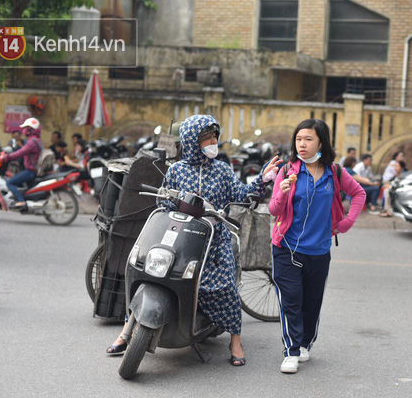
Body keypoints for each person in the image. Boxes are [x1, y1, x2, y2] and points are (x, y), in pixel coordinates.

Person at [106, 114, 281, 367]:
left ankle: (235, 340)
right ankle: (126, 331)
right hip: (178, 237)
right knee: (147, 273)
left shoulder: (222, 170)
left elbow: (242, 195)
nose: (213, 141)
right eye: (206, 137)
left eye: (214, 137)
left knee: (224, 287)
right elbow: (162, 201)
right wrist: (178, 202)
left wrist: (262, 180)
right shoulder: (176, 169)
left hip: (212, 242)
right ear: (191, 141)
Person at [269, 118, 365, 374]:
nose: (302, 144)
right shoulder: (288, 171)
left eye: (308, 139)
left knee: (311, 303)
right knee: (291, 300)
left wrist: (346, 223)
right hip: (286, 247)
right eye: (299, 139)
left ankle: (303, 344)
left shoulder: (335, 172)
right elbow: (273, 210)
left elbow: (359, 194)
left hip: (320, 250)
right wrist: (282, 193)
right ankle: (290, 351)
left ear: (321, 142)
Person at [1, 118, 42, 209]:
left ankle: (21, 201)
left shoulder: (31, 142)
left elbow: (20, 153)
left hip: (30, 171)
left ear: (30, 129)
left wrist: (6, 157)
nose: (23, 131)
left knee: (10, 183)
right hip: (32, 169)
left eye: (25, 128)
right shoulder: (37, 140)